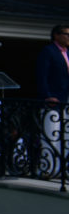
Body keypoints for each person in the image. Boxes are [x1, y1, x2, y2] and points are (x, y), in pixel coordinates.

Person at [36, 24, 69, 176]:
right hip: (53, 100)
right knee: (51, 133)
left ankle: (64, 168)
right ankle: (49, 169)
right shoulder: (49, 51)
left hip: (66, 100)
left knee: (66, 135)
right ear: (56, 35)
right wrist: (47, 95)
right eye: (66, 34)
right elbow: (42, 76)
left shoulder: (67, 53)